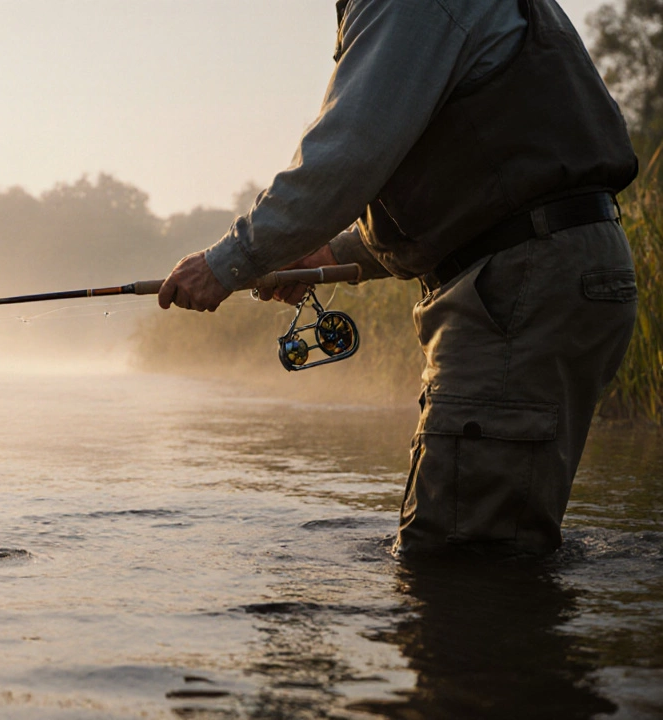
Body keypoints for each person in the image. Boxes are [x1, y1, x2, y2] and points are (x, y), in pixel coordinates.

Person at [158, 0, 639, 556]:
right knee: (499, 542)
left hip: (519, 281)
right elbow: (477, 189)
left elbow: (347, 153)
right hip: (547, 265)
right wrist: (327, 252)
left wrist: (225, 263)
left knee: (457, 559)